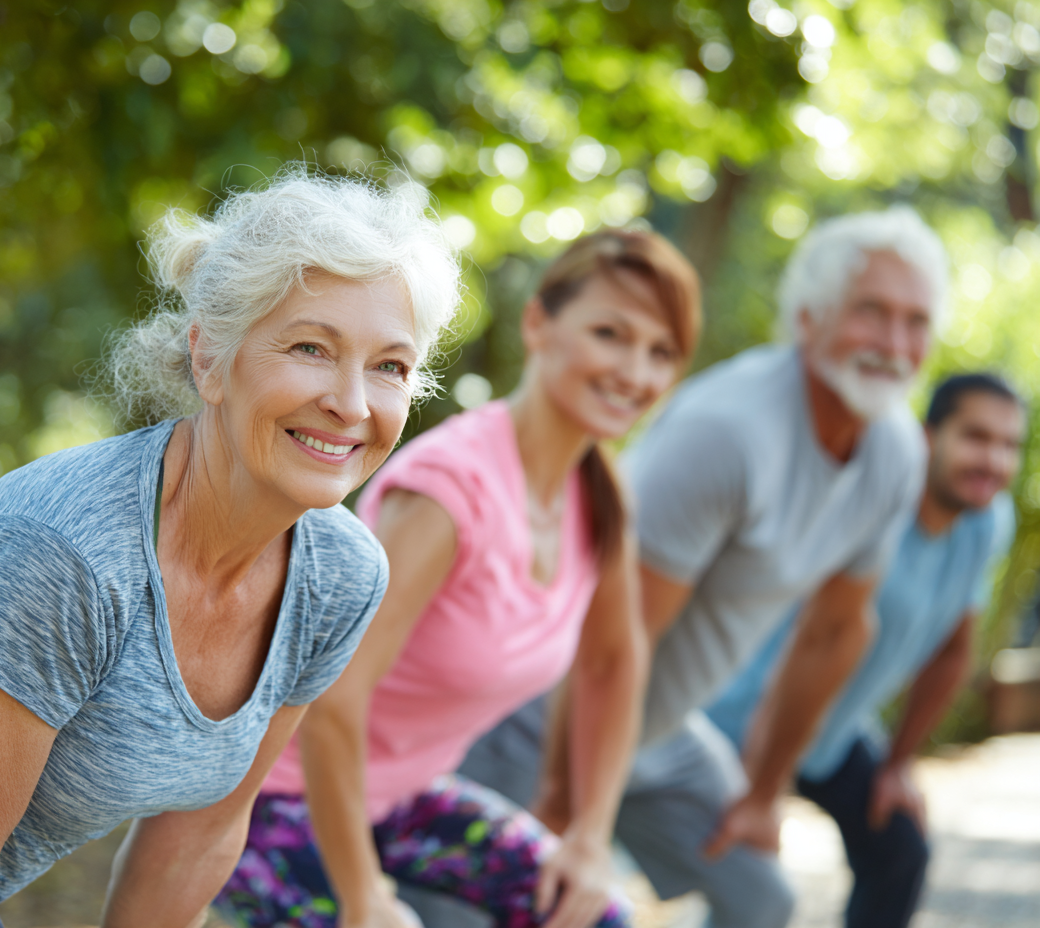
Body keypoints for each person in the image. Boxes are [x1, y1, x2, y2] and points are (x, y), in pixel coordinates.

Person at [0, 169, 463, 928]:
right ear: (209, 360)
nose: (352, 404)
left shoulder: (341, 577)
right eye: (312, 348)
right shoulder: (68, 552)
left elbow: (199, 837)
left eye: (389, 366)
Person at [452, 206, 946, 928]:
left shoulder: (896, 449)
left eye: (915, 322)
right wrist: (563, 807)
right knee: (505, 912)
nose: (895, 344)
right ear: (809, 319)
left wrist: (763, 792)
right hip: (542, 713)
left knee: (760, 898)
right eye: (871, 312)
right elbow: (609, 646)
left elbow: (836, 632)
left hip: (660, 730)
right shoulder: (730, 432)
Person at [214, 229, 703, 928]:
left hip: (404, 795)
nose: (635, 370)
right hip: (277, 800)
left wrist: (591, 838)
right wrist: (364, 898)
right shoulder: (450, 492)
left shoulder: (600, 495)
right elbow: (331, 702)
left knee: (594, 914)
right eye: (610, 333)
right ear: (539, 323)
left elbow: (613, 664)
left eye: (662, 353)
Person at [706, 372, 1025, 928]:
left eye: (1009, 445)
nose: (993, 460)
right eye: (976, 437)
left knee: (898, 850)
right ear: (929, 438)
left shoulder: (988, 522)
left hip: (834, 731)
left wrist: (897, 764)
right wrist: (763, 790)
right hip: (752, 719)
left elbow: (953, 652)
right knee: (749, 888)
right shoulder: (873, 501)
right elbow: (815, 641)